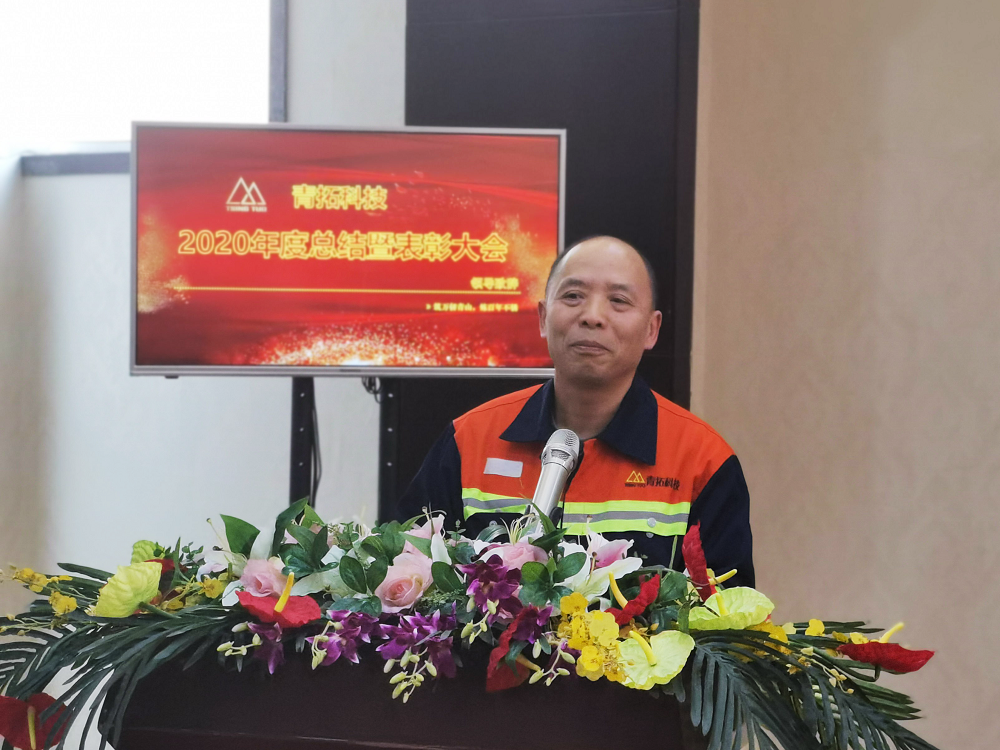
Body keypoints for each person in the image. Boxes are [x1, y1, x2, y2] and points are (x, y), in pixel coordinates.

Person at [396, 236, 754, 586]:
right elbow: (404, 568)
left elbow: (727, 612)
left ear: (651, 329)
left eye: (618, 300)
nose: (592, 316)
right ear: (543, 317)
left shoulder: (701, 459)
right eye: (573, 296)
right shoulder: (469, 440)